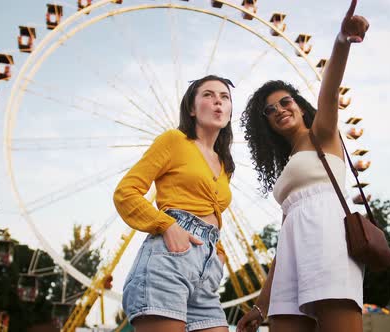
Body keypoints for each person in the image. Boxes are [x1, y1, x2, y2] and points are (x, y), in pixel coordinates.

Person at [236, 1, 369, 332]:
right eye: (270, 110)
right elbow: (284, 240)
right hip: (291, 257)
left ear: (298, 104)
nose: (280, 109)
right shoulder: (288, 169)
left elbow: (329, 89)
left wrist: (341, 41)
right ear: (265, 125)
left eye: (286, 101)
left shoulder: (322, 135)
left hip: (328, 241)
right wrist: (260, 303)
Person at [114, 75, 235, 332]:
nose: (218, 102)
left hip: (207, 270)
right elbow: (126, 192)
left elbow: (211, 215)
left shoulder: (225, 163)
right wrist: (166, 225)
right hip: (169, 261)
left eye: (225, 97)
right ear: (191, 108)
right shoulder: (173, 141)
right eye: (208, 95)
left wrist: (219, 256)